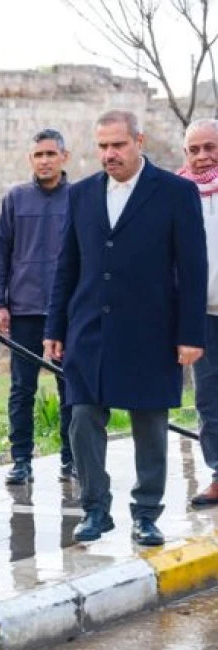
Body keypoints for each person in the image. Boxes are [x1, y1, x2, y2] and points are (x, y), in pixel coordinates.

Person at [44, 110, 207, 546]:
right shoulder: (80, 195)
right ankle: (96, 509)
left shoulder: (176, 192)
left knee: (149, 423)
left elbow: (193, 267)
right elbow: (67, 266)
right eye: (102, 146)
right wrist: (54, 327)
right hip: (89, 328)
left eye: (118, 145)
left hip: (152, 328)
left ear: (140, 140)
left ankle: (146, 513)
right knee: (81, 418)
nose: (109, 154)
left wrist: (191, 333)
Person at [0, 129, 75, 486]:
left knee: (71, 389)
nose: (44, 161)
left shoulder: (80, 198)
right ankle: (21, 460)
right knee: (21, 388)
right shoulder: (15, 199)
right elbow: (0, 252)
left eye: (50, 154)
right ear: (30, 159)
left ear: (64, 158)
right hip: (24, 310)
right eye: (38, 155)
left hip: (67, 313)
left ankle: (72, 459)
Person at [178, 118, 218, 510]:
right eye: (195, 149)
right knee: (208, 399)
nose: (203, 157)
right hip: (199, 315)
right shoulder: (176, 193)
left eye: (211, 147)